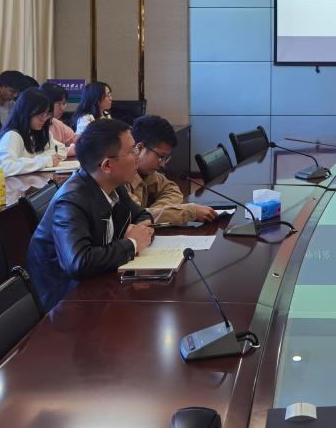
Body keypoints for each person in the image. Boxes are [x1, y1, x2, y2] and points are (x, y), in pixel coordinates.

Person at [26, 118, 154, 312]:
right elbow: (79, 263)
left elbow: (141, 214)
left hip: (98, 284)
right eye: (132, 151)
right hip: (65, 303)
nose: (138, 156)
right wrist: (132, 243)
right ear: (107, 166)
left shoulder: (113, 184)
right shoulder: (71, 201)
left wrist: (139, 231)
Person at [125, 115, 218, 225]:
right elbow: (135, 217)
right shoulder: (120, 176)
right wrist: (188, 212)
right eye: (160, 156)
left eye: (165, 158)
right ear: (140, 149)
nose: (162, 164)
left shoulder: (147, 172)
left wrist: (153, 212)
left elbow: (173, 190)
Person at [0, 87, 63, 186]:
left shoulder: (38, 131)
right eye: (41, 114)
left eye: (47, 114)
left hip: (22, 184)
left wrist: (35, 161)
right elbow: (5, 168)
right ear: (26, 112)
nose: (44, 119)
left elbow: (55, 152)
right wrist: (44, 161)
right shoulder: (12, 135)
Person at [41, 83, 77, 158]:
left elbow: (76, 142)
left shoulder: (58, 124)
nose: (62, 108)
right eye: (59, 103)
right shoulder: (35, 126)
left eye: (64, 104)